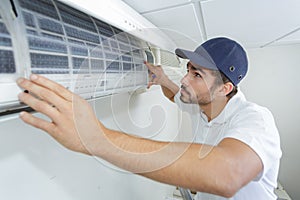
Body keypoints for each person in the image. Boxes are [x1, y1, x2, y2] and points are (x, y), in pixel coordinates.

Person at [16, 37, 281, 199]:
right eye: (188, 69)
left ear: (225, 89)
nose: (185, 79)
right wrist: (162, 78)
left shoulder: (256, 120)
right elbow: (176, 95)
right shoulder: (204, 106)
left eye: (197, 75)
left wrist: (95, 138)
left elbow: (227, 174)